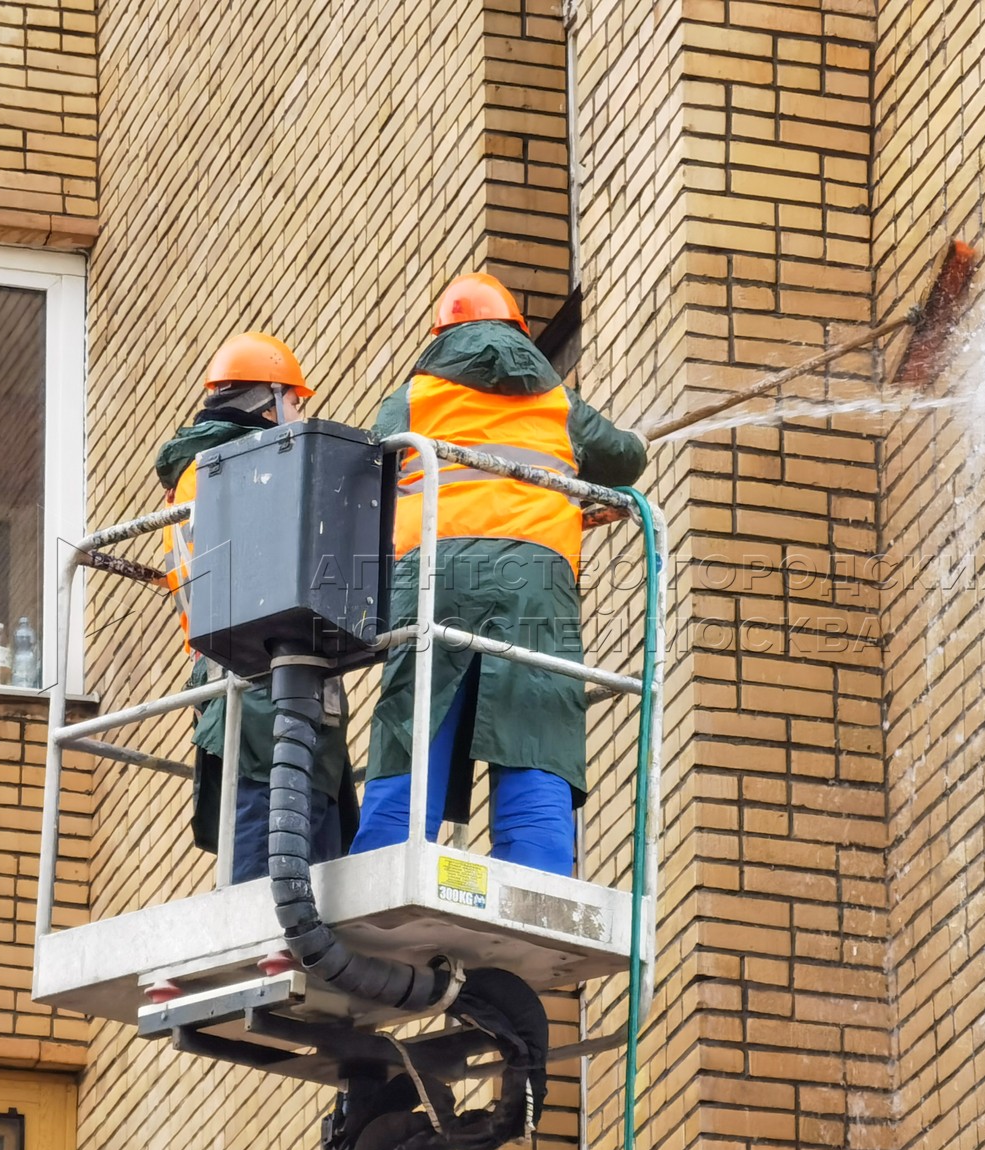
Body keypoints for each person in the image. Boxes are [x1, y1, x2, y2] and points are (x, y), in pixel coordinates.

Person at [350, 273, 647, 875]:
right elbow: (625, 459)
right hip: (536, 579)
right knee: (535, 712)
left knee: (418, 711)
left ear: (443, 335)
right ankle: (537, 870)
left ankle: (387, 860)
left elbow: (362, 476)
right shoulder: (557, 402)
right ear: (518, 332)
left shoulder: (412, 398)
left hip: (436, 573)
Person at [155, 331, 358, 882]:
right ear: (267, 402)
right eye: (296, 402)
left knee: (282, 830)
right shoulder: (244, 463)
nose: (299, 415)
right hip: (265, 672)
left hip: (245, 671)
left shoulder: (200, 472)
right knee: (270, 838)